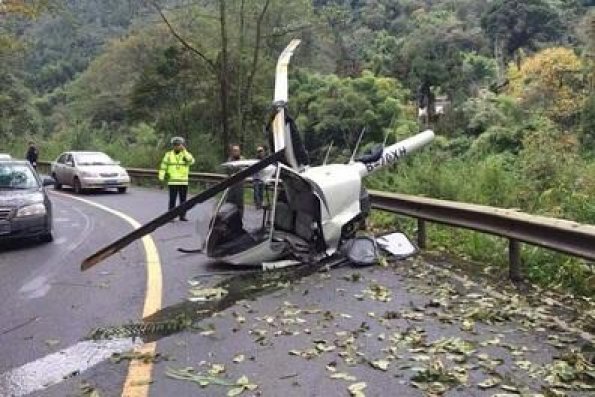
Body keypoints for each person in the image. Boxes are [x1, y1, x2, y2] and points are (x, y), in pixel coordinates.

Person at [158, 136, 195, 221]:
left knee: (183, 200)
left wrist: (184, 151)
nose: (177, 146)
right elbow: (163, 167)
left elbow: (191, 161)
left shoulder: (186, 154)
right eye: (175, 145)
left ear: (182, 145)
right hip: (173, 182)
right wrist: (161, 178)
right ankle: (171, 217)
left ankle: (182, 216)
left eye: (178, 144)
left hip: (183, 182)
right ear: (172, 145)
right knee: (172, 200)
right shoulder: (168, 155)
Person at [226, 144, 245, 214]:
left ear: (239, 151)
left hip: (239, 185)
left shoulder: (243, 160)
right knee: (229, 203)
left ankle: (240, 218)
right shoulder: (229, 160)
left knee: (239, 204)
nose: (235, 152)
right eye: (234, 151)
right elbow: (229, 170)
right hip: (231, 185)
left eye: (237, 151)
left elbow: (243, 170)